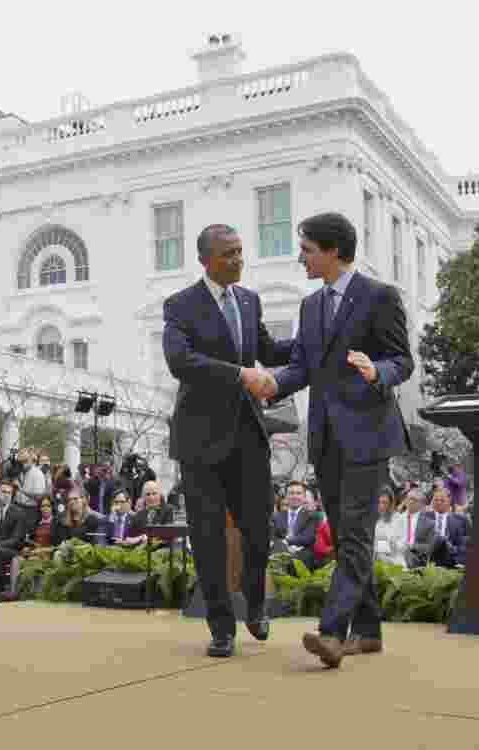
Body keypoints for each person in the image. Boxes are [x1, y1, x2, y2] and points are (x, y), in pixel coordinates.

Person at [265, 212, 414, 668]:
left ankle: (332, 633)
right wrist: (269, 383)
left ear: (332, 251)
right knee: (351, 534)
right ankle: (367, 632)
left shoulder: (379, 297)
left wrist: (377, 372)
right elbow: (300, 367)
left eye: (307, 249)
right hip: (326, 438)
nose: (300, 258)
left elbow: (402, 360)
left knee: (353, 536)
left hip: (368, 434)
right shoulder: (310, 307)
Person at [162, 223, 294, 658]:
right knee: (208, 537)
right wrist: (239, 374)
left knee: (259, 532)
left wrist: (317, 340)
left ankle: (255, 604)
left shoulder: (249, 301)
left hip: (248, 436)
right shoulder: (181, 306)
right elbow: (181, 361)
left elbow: (270, 352)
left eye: (240, 252)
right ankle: (221, 627)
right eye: (229, 254)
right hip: (200, 439)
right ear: (206, 260)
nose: (239, 260)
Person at [373, 486, 407, 567]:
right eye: (379, 502)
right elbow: (374, 546)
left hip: (395, 563)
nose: (381, 506)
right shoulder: (377, 522)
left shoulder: (399, 519)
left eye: (384, 502)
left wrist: (389, 545)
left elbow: (403, 545)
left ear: (391, 504)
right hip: (379, 563)